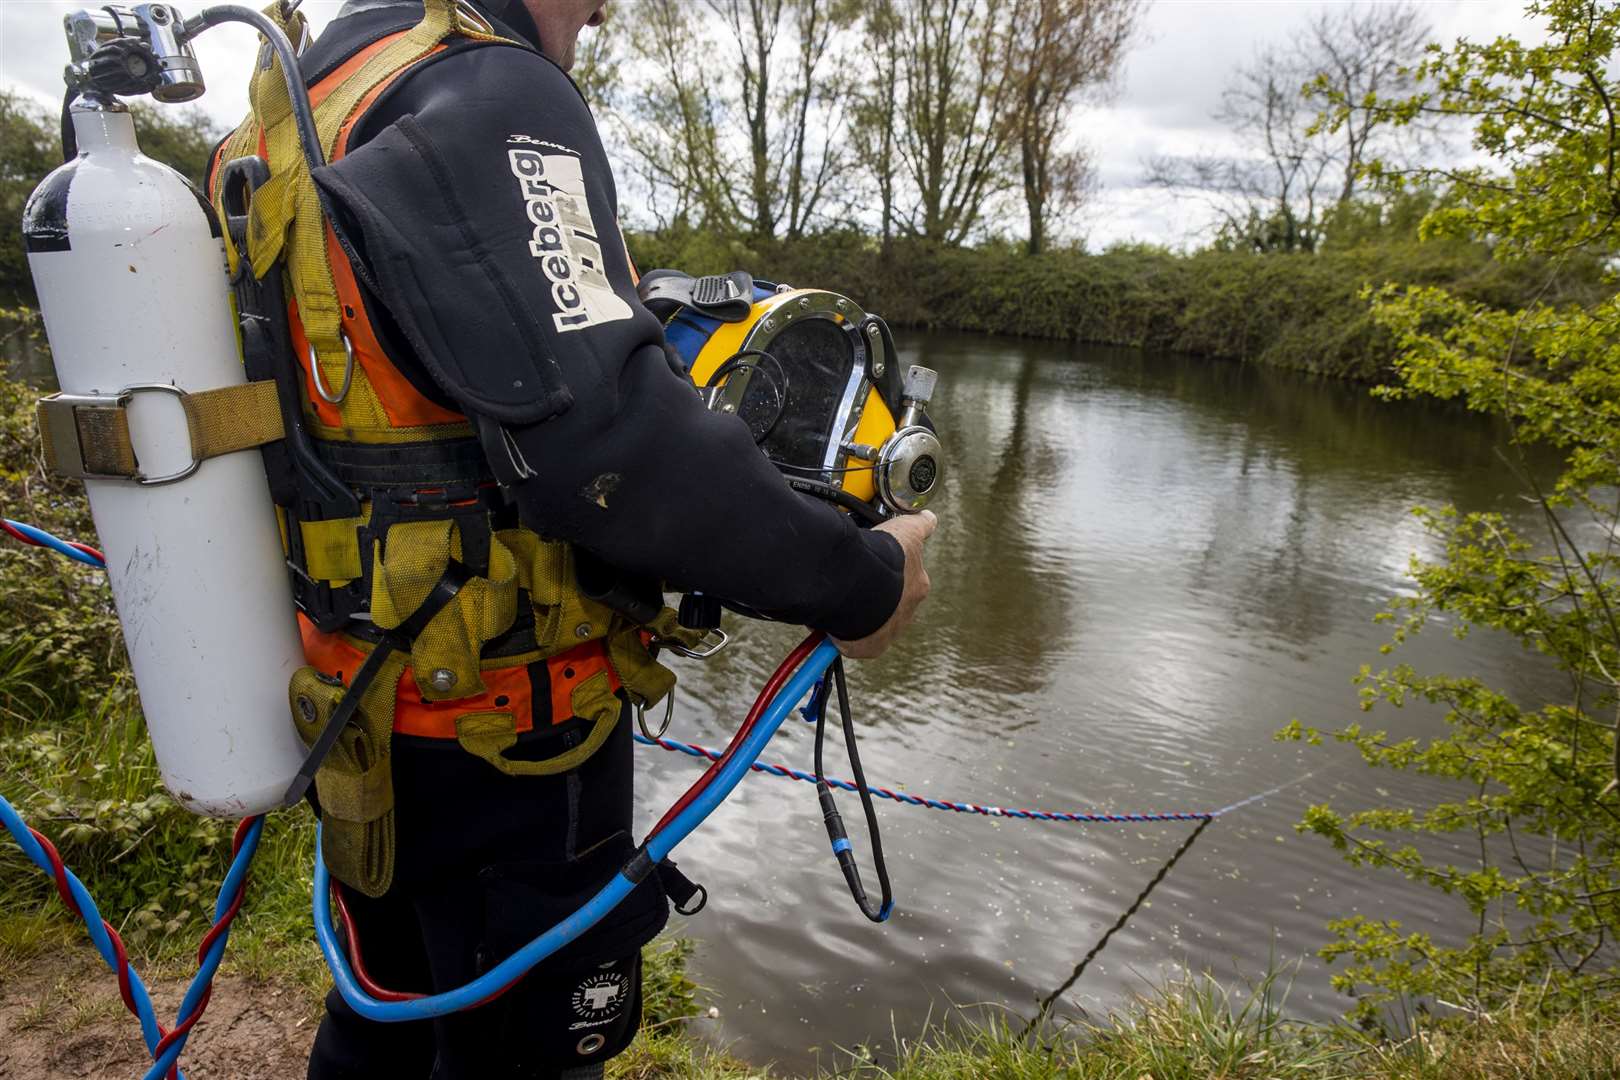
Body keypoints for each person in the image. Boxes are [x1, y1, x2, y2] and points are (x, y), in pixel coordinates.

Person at [206, 1, 934, 1077]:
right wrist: (867, 583)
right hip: (514, 745)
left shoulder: (325, 88)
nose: (603, 9)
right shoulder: (497, 91)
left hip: (369, 720)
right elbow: (611, 448)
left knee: (390, 1015)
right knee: (529, 1051)